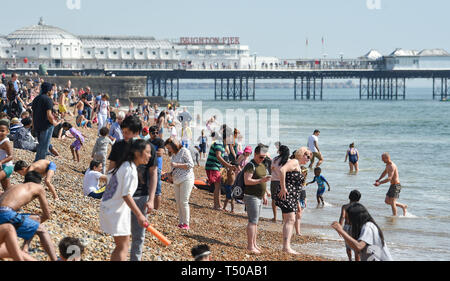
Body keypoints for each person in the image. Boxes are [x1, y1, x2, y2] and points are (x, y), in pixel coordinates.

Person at [107, 115, 158, 261]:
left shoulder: (148, 148)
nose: (124, 136)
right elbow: (111, 170)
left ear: (137, 132)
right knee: (121, 240)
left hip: (141, 196)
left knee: (138, 237)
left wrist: (151, 199)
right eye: (123, 132)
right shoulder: (118, 145)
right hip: (120, 197)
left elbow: (153, 173)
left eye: (127, 133)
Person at [100, 139, 150, 261]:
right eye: (147, 152)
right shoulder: (129, 169)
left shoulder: (126, 165)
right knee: (123, 246)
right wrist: (139, 215)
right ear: (138, 153)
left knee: (122, 245)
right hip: (115, 210)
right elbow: (126, 195)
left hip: (110, 206)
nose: (150, 155)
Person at [0, 171, 57, 261]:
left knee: (35, 219)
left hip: (3, 213)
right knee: (41, 229)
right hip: (7, 214)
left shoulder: (15, 186)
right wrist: (33, 228)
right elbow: (47, 215)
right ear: (38, 181)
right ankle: (55, 259)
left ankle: (25, 248)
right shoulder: (38, 187)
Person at [276, 147, 312, 254]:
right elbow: (282, 170)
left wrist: (297, 202)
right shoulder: (294, 162)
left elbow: (297, 186)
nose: (309, 158)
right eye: (307, 156)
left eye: (310, 157)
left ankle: (286, 246)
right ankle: (286, 247)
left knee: (290, 219)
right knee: (290, 220)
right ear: (301, 154)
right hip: (286, 193)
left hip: (292, 195)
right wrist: (283, 188)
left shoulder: (299, 166)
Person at [243, 144, 272, 254]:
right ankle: (250, 246)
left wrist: (264, 194)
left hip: (258, 196)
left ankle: (254, 244)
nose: (263, 159)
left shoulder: (262, 164)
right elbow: (247, 181)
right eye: (260, 157)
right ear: (255, 154)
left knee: (255, 222)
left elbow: (262, 181)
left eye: (264, 157)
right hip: (251, 196)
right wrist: (261, 181)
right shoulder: (250, 165)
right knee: (252, 221)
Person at [164, 138, 195, 230]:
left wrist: (177, 165)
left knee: (184, 201)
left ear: (174, 145)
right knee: (178, 202)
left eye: (169, 148)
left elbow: (191, 164)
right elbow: (175, 168)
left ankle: (186, 223)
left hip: (186, 178)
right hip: (176, 180)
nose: (168, 150)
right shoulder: (174, 154)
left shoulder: (184, 151)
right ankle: (181, 222)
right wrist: (170, 174)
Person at [205, 128, 233, 210]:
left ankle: (219, 205)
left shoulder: (222, 144)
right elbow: (218, 156)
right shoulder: (219, 143)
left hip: (215, 166)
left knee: (218, 185)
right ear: (227, 137)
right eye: (231, 137)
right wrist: (228, 165)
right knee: (217, 186)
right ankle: (216, 205)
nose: (231, 139)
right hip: (212, 166)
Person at [32, 82, 60, 162]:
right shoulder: (48, 100)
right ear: (49, 91)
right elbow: (49, 115)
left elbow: (33, 113)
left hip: (37, 125)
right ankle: (38, 163)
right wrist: (54, 123)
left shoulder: (36, 98)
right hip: (45, 126)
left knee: (41, 145)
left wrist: (33, 125)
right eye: (52, 90)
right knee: (44, 147)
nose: (53, 91)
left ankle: (37, 162)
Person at [374, 152, 407, 216]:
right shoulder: (387, 165)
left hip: (396, 185)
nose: (382, 160)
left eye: (383, 158)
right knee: (387, 201)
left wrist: (380, 183)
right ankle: (403, 206)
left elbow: (389, 178)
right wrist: (379, 179)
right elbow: (385, 172)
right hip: (392, 185)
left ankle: (394, 217)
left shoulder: (392, 166)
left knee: (392, 202)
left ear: (387, 158)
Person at [338, 190, 362, 261]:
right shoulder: (359, 207)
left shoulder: (345, 206)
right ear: (359, 199)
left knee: (348, 245)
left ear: (349, 197)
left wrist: (339, 228)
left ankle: (350, 259)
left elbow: (342, 216)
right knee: (356, 247)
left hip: (346, 227)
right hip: (355, 228)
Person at [270, 145, 290, 222]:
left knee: (274, 199)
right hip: (284, 182)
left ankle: (275, 217)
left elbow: (271, 169)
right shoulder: (288, 161)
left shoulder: (275, 159)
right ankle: (283, 219)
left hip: (274, 181)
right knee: (283, 200)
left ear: (280, 151)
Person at [149, 126, 165, 210]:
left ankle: (156, 210)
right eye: (153, 133)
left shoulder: (160, 141)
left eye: (157, 132)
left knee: (157, 191)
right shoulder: (147, 141)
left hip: (157, 168)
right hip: (148, 167)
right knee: (148, 189)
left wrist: (148, 152)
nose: (155, 134)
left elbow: (160, 153)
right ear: (149, 133)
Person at [0, 119, 14, 191]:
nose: (0, 132)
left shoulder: (6, 142)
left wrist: (1, 162)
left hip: (7, 167)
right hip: (1, 167)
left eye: (2, 131)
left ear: (7, 132)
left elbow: (11, 156)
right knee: (7, 189)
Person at [296, 166, 309, 235]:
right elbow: (296, 193)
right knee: (298, 215)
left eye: (305, 172)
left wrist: (305, 199)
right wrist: (297, 202)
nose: (304, 174)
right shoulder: (297, 181)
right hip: (297, 199)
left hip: (302, 199)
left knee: (299, 216)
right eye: (303, 172)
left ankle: (297, 230)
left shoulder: (304, 181)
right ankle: (298, 232)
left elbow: (304, 191)